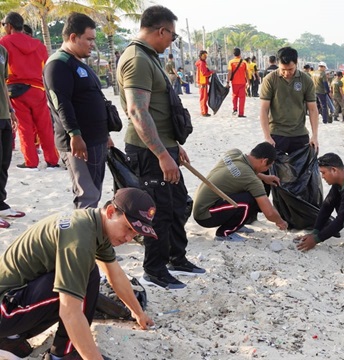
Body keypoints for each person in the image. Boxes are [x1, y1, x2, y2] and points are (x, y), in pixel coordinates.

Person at [0, 187, 156, 360]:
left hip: (12, 303)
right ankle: (63, 354)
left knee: (88, 275)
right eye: (128, 228)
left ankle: (10, 339)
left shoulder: (94, 225)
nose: (129, 238)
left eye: (135, 233)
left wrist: (138, 312)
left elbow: (115, 274)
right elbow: (70, 311)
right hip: (4, 310)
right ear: (111, 212)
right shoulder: (80, 238)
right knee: (80, 282)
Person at [117, 5, 202, 290]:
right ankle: (154, 269)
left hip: (164, 148)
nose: (172, 42)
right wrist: (162, 154)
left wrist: (173, 147)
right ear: (161, 30)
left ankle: (177, 257)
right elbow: (138, 112)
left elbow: (159, 109)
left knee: (178, 204)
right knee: (157, 211)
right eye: (173, 37)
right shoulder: (137, 59)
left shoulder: (149, 58)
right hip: (148, 151)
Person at [44, 13, 114, 210]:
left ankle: (90, 235)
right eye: (89, 39)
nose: (93, 44)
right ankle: (82, 238)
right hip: (78, 143)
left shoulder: (78, 63)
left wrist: (105, 134)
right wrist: (74, 135)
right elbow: (62, 103)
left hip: (96, 139)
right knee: (87, 195)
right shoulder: (58, 65)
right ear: (73, 38)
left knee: (95, 192)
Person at [0, 12, 60, 170]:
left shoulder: (4, 42)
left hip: (16, 89)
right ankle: (52, 159)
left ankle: (31, 161)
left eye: (3, 24)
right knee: (44, 125)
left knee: (24, 127)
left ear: (10, 26)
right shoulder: (39, 45)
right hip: (38, 89)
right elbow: (46, 68)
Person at [193, 142, 288, 240]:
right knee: (249, 201)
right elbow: (269, 213)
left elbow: (240, 172)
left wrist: (264, 177)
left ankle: (236, 224)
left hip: (201, 205)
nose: (267, 169)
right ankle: (225, 233)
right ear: (264, 161)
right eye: (268, 167)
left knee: (244, 194)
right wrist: (280, 221)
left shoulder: (234, 153)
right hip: (205, 215)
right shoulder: (251, 180)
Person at [259, 46, 319, 154]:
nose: (287, 73)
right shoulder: (269, 80)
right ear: (278, 64)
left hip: (299, 133)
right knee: (275, 169)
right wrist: (267, 137)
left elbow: (313, 109)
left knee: (302, 168)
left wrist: (314, 136)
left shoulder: (306, 80)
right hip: (277, 134)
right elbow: (264, 109)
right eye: (283, 70)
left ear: (296, 63)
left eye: (290, 69)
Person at [0, 43, 22, 229]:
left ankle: (1, 203)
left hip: (4, 114)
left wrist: (11, 109)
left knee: (4, 162)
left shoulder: (2, 51)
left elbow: (3, 82)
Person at [226, 48, 249, 118]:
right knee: (242, 98)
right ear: (240, 53)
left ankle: (235, 109)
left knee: (234, 96)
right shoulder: (244, 62)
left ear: (234, 54)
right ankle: (241, 113)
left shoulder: (231, 62)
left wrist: (228, 82)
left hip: (234, 83)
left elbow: (229, 73)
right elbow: (247, 72)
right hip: (242, 82)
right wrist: (248, 81)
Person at [195, 50, 214, 116]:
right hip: (203, 83)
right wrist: (211, 72)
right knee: (203, 97)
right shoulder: (202, 63)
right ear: (201, 55)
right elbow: (204, 73)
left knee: (204, 97)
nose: (205, 57)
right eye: (204, 55)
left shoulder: (202, 63)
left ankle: (204, 111)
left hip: (203, 82)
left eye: (206, 56)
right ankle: (204, 112)